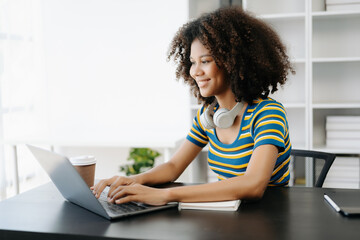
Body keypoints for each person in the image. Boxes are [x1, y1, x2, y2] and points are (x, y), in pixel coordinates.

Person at [91, 6, 294, 205]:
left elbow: (253, 185)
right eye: (192, 62)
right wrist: (135, 180)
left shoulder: (267, 113)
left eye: (205, 61)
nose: (195, 72)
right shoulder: (209, 116)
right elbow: (172, 166)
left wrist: (165, 195)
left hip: (269, 220)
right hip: (230, 218)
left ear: (234, 62)